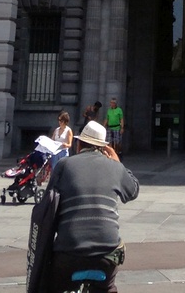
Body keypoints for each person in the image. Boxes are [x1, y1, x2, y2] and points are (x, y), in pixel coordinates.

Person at [26, 119, 138, 293]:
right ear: (103, 148)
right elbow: (133, 191)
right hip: (107, 253)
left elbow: (48, 201)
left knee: (56, 286)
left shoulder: (64, 164)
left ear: (78, 144)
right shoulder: (115, 167)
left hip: (69, 252)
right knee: (107, 287)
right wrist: (118, 163)